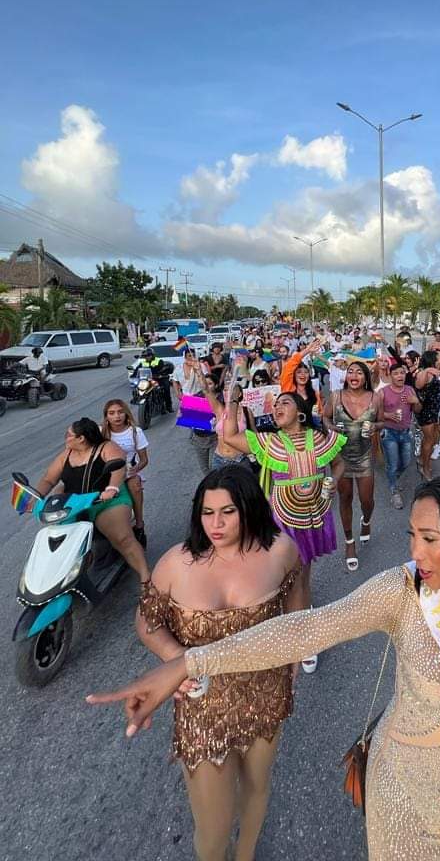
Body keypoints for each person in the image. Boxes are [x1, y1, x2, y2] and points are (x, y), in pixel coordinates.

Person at [89, 475, 440, 861]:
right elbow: (304, 629)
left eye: (429, 539)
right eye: (411, 536)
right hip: (402, 801)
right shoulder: (402, 591)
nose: (414, 552)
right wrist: (186, 663)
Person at [136, 466, 303, 861]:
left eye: (227, 512)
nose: (216, 523)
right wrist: (178, 660)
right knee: (213, 829)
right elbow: (146, 620)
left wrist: (296, 649)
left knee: (258, 787)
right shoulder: (176, 563)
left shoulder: (280, 550)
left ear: (249, 508)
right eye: (207, 512)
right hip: (202, 706)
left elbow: (297, 594)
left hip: (266, 693)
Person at [223, 390, 345, 673]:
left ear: (300, 413)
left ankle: (303, 634)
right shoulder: (269, 442)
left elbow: (339, 464)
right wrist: (231, 400)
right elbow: (229, 437)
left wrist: (333, 481)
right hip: (283, 519)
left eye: (284, 402)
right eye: (275, 403)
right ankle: (298, 624)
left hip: (313, 515)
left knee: (301, 577)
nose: (277, 406)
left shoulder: (318, 439)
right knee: (287, 578)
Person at [36, 417, 149, 582]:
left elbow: (118, 468)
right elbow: (49, 479)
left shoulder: (107, 447)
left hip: (104, 502)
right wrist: (34, 498)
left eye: (68, 434)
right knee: (55, 543)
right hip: (74, 505)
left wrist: (111, 488)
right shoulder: (66, 454)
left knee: (122, 538)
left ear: (81, 438)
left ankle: (147, 579)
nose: (65, 437)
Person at [324, 362, 379, 572]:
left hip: (364, 457)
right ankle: (349, 543)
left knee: (367, 501)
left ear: (365, 378)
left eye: (359, 372)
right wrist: (331, 428)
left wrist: (375, 426)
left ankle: (366, 520)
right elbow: (326, 417)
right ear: (346, 377)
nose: (354, 375)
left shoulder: (376, 398)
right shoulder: (336, 396)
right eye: (350, 372)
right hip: (340, 458)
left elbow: (381, 421)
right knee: (345, 499)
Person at [102, 399, 150, 547]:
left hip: (128, 472)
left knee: (135, 485)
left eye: (120, 412)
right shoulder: (102, 433)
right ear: (106, 416)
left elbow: (144, 460)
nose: (117, 416)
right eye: (112, 413)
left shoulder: (135, 432)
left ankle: (139, 523)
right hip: (106, 475)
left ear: (126, 414)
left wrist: (135, 470)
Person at [377, 360, 421, 510]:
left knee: (406, 462)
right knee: (393, 463)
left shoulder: (409, 390)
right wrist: (388, 415)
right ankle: (394, 491)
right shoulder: (382, 392)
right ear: (390, 376)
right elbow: (374, 413)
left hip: (406, 432)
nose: (399, 376)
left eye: (402, 373)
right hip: (389, 433)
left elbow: (418, 410)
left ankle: (392, 478)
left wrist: (416, 401)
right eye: (396, 373)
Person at [413, 350, 440, 480]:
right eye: (437, 359)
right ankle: (425, 468)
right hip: (426, 411)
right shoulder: (423, 372)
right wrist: (427, 370)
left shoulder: (431, 371)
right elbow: (418, 386)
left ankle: (422, 460)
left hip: (433, 410)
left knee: (430, 439)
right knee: (429, 440)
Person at [132, 348, 174, 413]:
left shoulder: (159, 361)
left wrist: (160, 373)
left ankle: (169, 406)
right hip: (148, 379)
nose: (147, 357)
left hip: (159, 378)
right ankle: (136, 398)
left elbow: (160, 368)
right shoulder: (143, 362)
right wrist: (133, 375)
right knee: (137, 387)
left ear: (152, 355)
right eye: (145, 356)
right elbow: (137, 369)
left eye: (148, 355)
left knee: (166, 389)